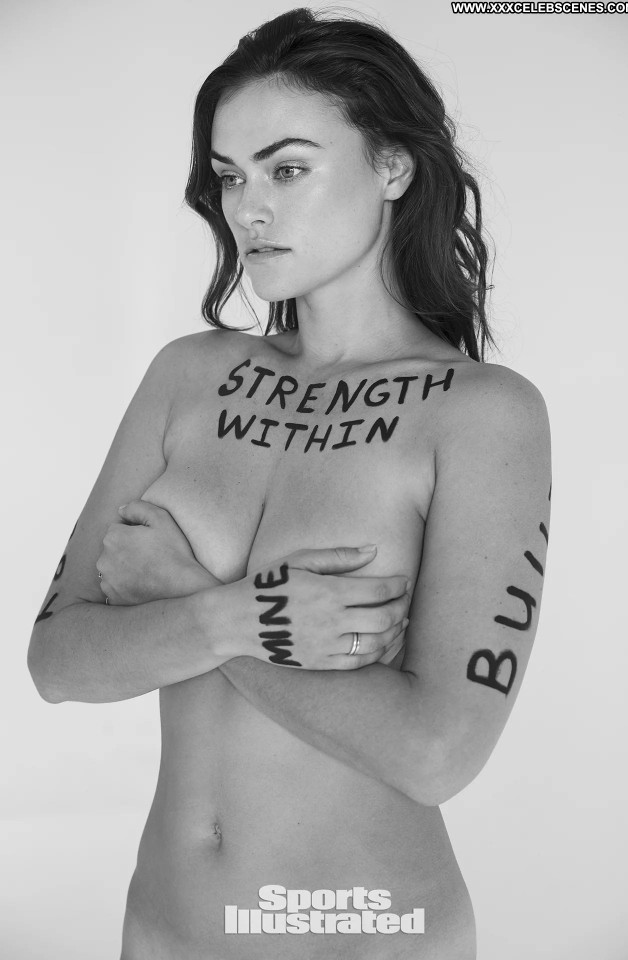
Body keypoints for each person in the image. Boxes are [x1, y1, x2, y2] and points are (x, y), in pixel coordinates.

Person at [27, 7, 552, 959]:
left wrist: (185, 597)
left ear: (393, 167)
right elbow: (56, 663)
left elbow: (437, 754)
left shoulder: (482, 414)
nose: (247, 209)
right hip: (161, 931)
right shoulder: (189, 374)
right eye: (230, 176)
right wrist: (236, 617)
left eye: (288, 169)